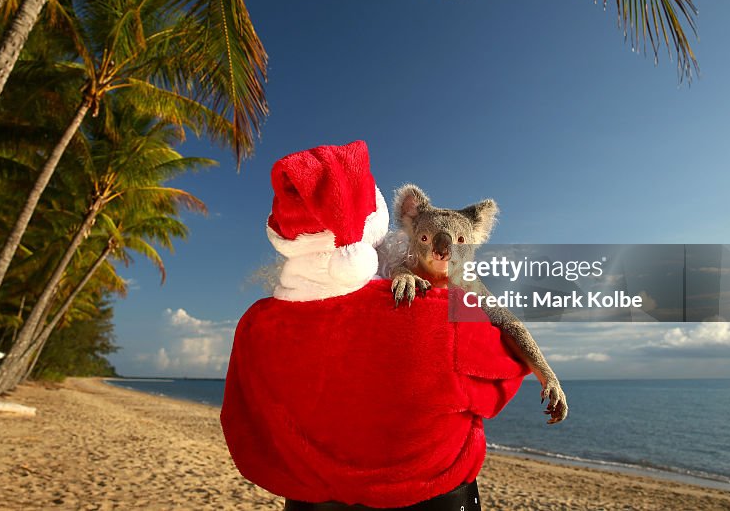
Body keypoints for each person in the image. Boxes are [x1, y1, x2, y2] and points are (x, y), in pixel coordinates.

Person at [221, 140, 530, 510]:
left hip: (309, 500)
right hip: (428, 497)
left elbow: (242, 423)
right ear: (377, 224)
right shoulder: (440, 312)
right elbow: (504, 379)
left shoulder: (257, 325)